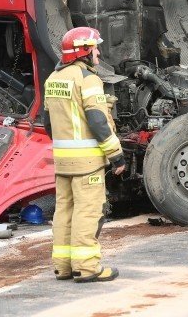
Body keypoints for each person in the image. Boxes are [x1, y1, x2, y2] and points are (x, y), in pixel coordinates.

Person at [44, 27, 126, 283]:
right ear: (84, 51)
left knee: (64, 211)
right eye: (95, 48)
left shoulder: (53, 79)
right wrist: (116, 155)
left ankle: (63, 267)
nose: (98, 52)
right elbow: (97, 121)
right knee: (88, 211)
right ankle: (87, 267)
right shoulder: (88, 79)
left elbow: (48, 122)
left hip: (62, 161)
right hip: (87, 162)